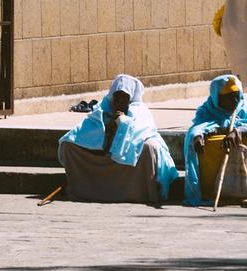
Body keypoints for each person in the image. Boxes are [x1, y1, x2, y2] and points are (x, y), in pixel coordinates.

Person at [58, 74, 180, 203]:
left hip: (130, 156)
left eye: (124, 98)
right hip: (103, 155)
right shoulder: (102, 109)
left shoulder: (139, 111)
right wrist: (106, 128)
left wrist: (122, 122)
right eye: (117, 97)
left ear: (131, 99)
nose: (119, 102)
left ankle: (138, 193)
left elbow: (138, 134)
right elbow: (82, 132)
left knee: (150, 147)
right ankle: (84, 189)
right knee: (68, 145)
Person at [184, 73, 247, 206]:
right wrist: (197, 137)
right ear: (216, 98)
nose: (235, 101)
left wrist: (238, 131)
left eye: (237, 96)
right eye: (229, 97)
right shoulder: (207, 111)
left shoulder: (242, 109)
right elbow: (199, 126)